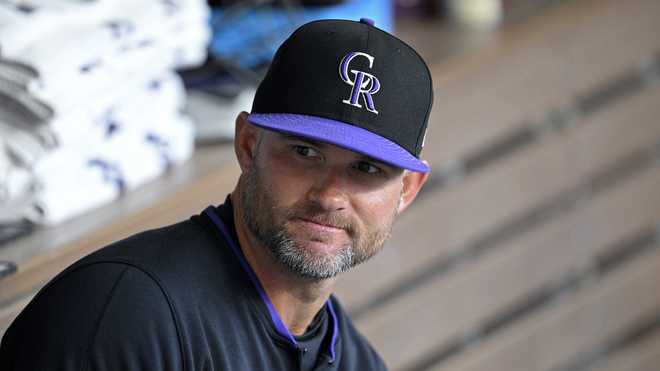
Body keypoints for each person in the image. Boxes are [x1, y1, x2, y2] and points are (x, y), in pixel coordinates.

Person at [0, 17, 433, 370]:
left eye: (366, 168)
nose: (330, 195)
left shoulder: (353, 358)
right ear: (248, 145)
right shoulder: (126, 316)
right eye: (305, 152)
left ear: (406, 190)